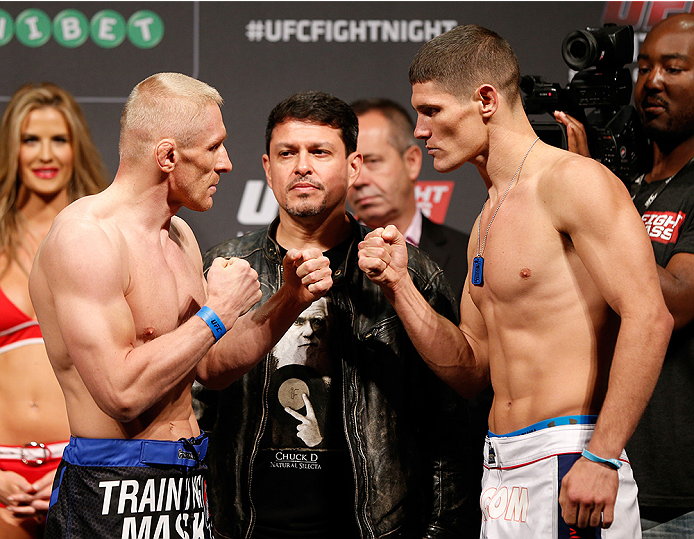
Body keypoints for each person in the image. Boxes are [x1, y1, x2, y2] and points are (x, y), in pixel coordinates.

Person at [358, 25, 673, 538]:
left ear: (485, 99)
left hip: (573, 457)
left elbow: (649, 316)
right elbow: (471, 368)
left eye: (432, 111)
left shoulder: (573, 182)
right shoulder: (485, 219)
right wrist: (400, 287)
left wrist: (602, 457)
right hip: (502, 467)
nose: (419, 129)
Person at [28, 73, 331, 539]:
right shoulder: (87, 237)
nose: (226, 164)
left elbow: (209, 366)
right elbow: (121, 393)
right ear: (168, 156)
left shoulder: (180, 236)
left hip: (187, 488)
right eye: (214, 148)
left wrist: (289, 300)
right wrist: (218, 312)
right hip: (112, 489)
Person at [199, 90, 478, 538]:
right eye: (287, 153)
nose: (302, 166)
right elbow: (195, 411)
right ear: (268, 169)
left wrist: (439, 532)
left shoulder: (407, 269)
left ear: (353, 167)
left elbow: (448, 423)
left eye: (320, 152)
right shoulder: (226, 268)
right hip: (248, 529)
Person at [556, 13, 694, 536]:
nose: (653, 81)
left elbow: (675, 304)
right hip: (595, 465)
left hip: (675, 490)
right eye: (646, 66)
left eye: (674, 68)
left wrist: (594, 207)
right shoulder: (627, 182)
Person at [0, 82, 107, 539]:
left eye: (59, 140)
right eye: (30, 140)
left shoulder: (104, 233)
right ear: (12, 149)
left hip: (81, 464)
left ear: (75, 147)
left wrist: (83, 467)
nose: (46, 155)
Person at [348, 98, 469, 301]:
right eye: (351, 167)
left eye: (373, 161)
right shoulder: (328, 258)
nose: (359, 180)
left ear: (412, 162)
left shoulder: (466, 256)